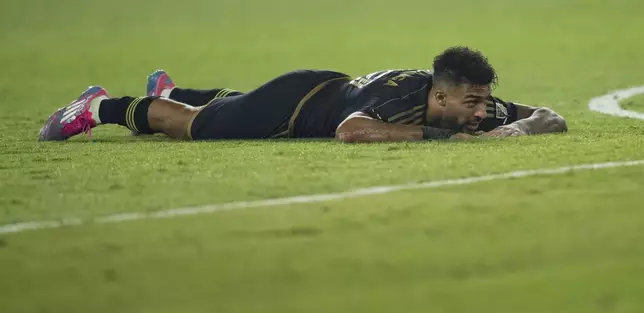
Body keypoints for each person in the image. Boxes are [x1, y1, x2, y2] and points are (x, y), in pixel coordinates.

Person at [39, 46, 567, 143]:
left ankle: (172, 90)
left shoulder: (474, 107)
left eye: (485, 102)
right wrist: (440, 140)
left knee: (220, 105)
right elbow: (352, 131)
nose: (483, 112)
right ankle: (100, 107)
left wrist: (517, 126)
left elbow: (551, 116)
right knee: (191, 126)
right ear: (442, 99)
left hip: (329, 88)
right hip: (298, 104)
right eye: (473, 104)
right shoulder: (404, 104)